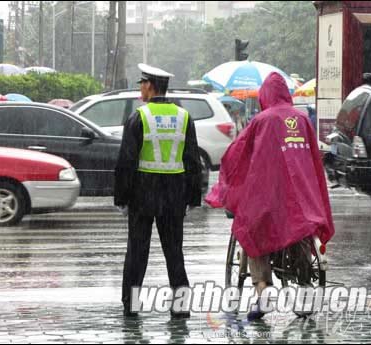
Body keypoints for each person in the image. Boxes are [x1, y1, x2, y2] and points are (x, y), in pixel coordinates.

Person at [205, 72, 335, 321]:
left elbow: (239, 153)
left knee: (252, 232)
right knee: (301, 229)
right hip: (300, 196)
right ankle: (304, 279)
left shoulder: (261, 120)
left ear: (265, 95)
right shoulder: (303, 118)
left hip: (269, 195)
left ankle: (263, 288)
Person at [115, 63, 202, 318]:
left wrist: (122, 197)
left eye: (142, 84)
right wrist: (193, 196)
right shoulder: (184, 117)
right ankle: (181, 306)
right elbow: (192, 159)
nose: (140, 89)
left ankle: (131, 305)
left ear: (150, 86)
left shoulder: (139, 117)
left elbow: (126, 161)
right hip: (174, 193)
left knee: (137, 251)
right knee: (174, 251)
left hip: (143, 192)